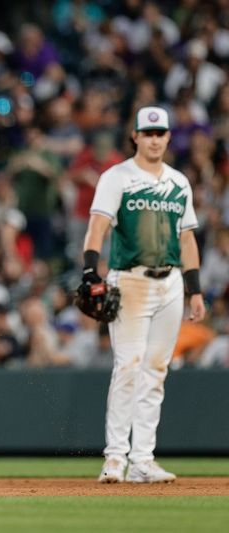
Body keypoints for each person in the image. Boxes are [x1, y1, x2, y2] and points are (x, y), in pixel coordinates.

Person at [82, 106, 205, 484]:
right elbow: (98, 225)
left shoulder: (178, 182)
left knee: (155, 371)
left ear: (168, 137)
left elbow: (186, 238)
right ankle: (115, 457)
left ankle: (142, 460)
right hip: (129, 280)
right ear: (135, 136)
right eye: (147, 133)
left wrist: (194, 289)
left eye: (160, 133)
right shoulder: (117, 177)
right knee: (128, 366)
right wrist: (90, 270)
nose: (154, 139)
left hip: (169, 283)